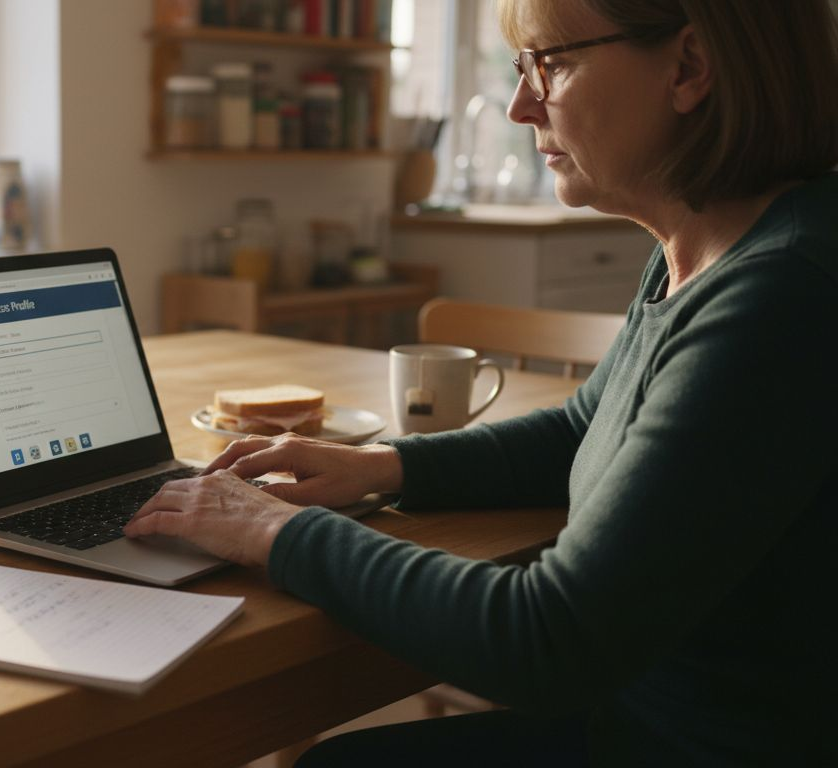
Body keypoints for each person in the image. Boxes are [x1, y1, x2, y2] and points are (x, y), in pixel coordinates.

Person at [125, 0, 838, 764]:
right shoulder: (707, 248)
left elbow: (549, 639)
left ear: (690, 66)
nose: (519, 103)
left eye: (551, 63)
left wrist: (273, 529)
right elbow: (581, 429)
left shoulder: (782, 294)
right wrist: (386, 466)